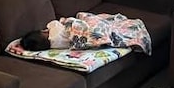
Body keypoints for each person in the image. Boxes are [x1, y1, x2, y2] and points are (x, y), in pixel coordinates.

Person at [20, 12, 151, 55]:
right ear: (42, 33)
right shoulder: (53, 29)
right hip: (81, 30)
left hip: (76, 36)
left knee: (92, 27)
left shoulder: (55, 45)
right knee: (88, 19)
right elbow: (61, 23)